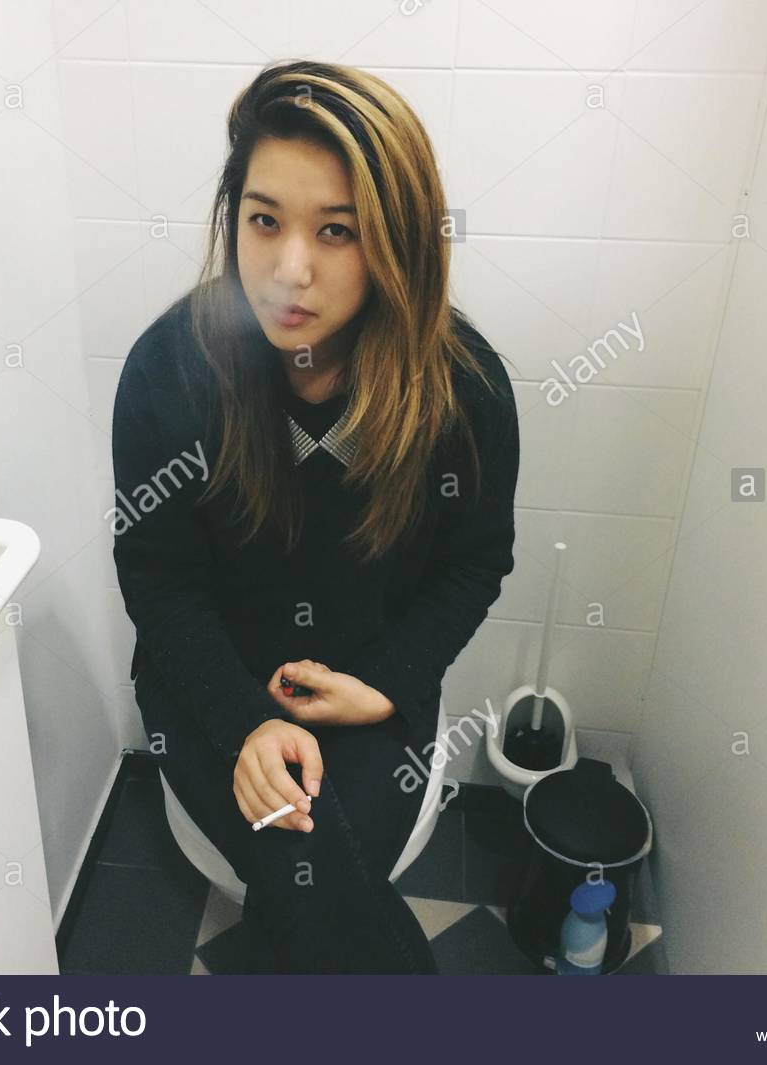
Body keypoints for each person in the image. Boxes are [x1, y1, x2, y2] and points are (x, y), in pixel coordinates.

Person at [110, 60, 520, 974]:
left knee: (311, 875)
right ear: (235, 218)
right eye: (265, 221)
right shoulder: (172, 371)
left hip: (366, 687)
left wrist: (385, 682)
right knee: (313, 871)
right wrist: (246, 720)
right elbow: (158, 576)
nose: (290, 270)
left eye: (337, 231)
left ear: (396, 242)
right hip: (207, 677)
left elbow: (475, 561)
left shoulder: (463, 389)